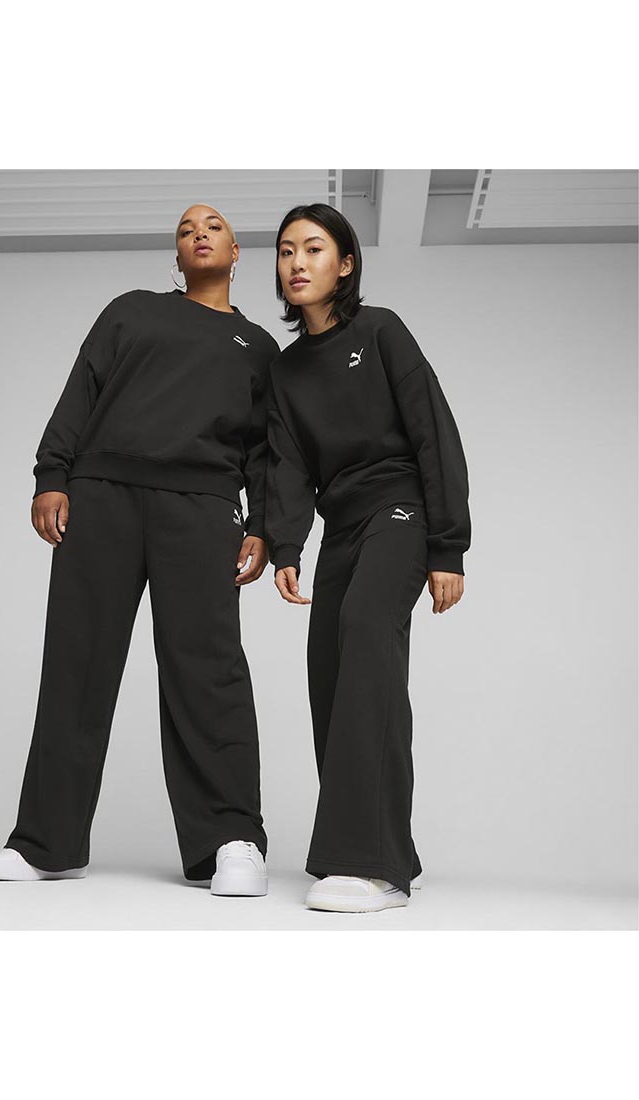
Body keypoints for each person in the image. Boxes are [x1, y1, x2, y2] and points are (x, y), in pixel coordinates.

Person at [0, 204, 278, 897]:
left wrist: (265, 524)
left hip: (202, 508)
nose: (199, 232)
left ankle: (231, 841)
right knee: (76, 665)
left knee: (209, 672)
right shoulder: (132, 311)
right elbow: (80, 392)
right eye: (186, 229)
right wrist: (52, 476)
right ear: (177, 257)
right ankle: (47, 843)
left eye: (213, 226)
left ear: (237, 252)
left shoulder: (259, 348)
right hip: (102, 497)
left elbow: (266, 451)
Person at [265, 203, 471, 913]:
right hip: (342, 526)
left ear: (346, 264)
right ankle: (388, 850)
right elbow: (289, 464)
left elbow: (433, 431)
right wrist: (286, 544)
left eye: (313, 248)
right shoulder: (287, 369)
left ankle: (370, 866)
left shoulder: (380, 330)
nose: (297, 262)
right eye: (286, 251)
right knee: (331, 670)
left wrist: (448, 545)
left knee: (364, 637)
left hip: (401, 508)